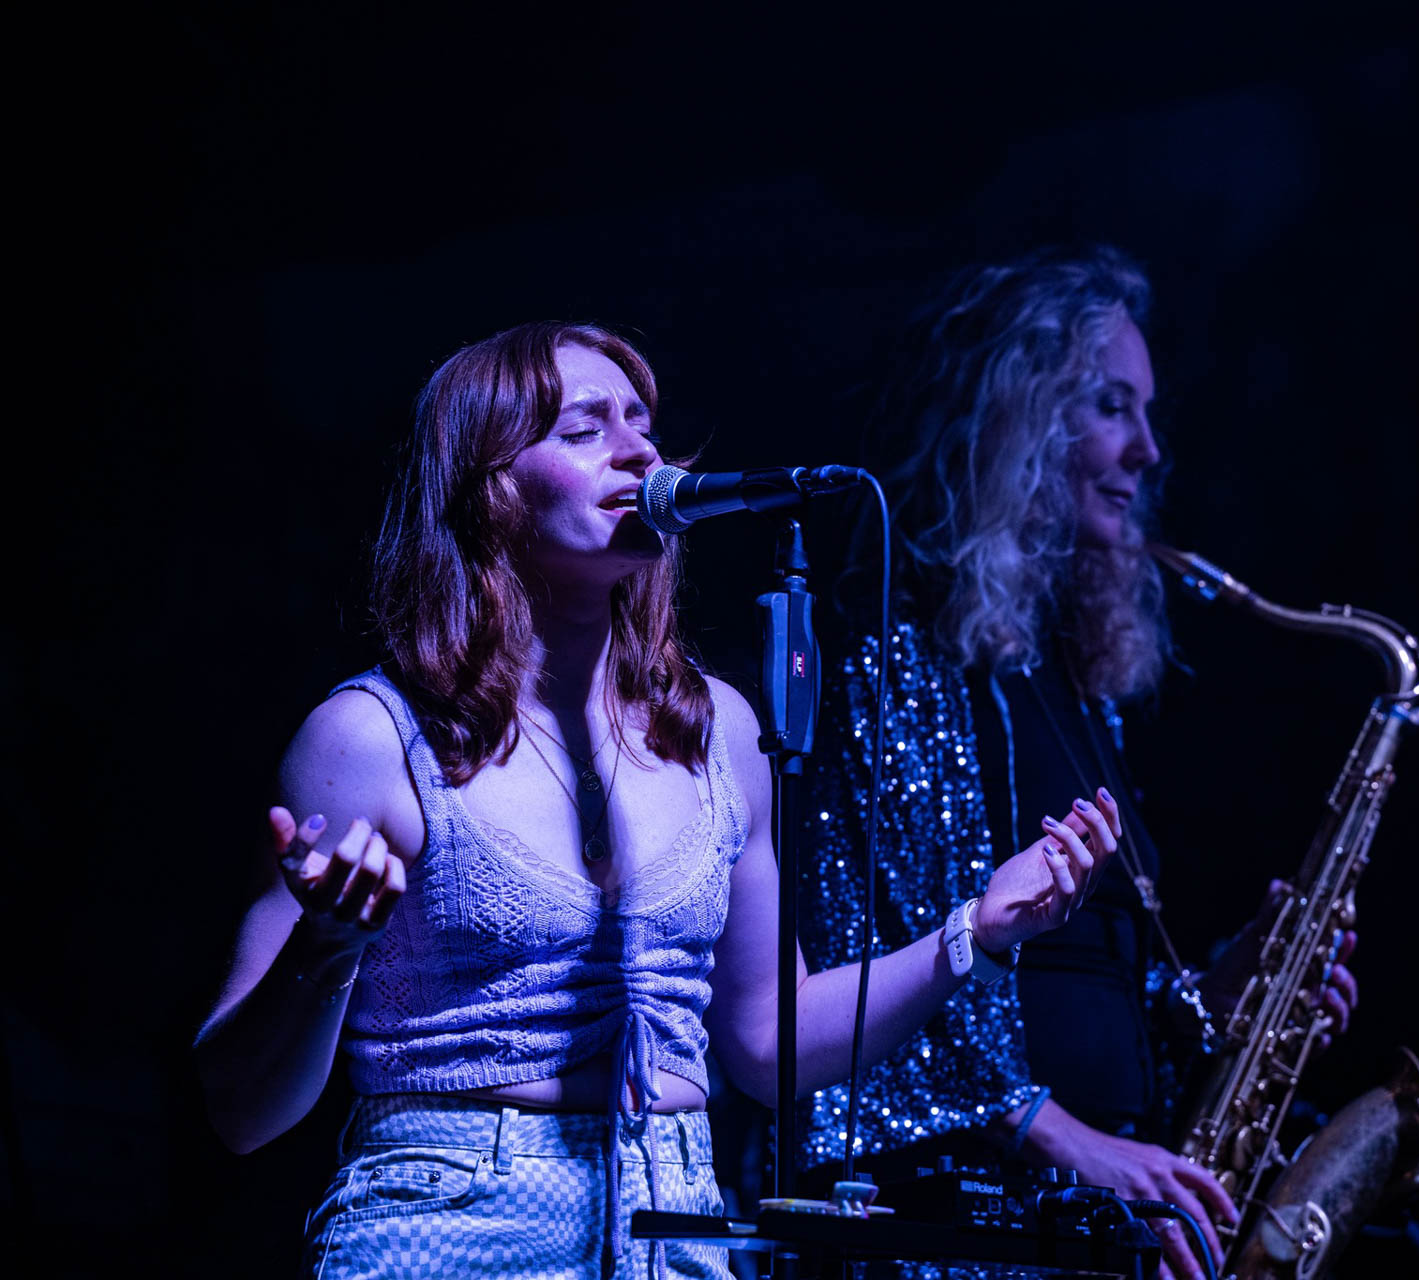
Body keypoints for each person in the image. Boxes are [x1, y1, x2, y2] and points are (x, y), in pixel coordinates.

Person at [191, 321, 1120, 1280]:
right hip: (457, 1221)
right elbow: (240, 1110)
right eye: (585, 429)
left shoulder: (717, 731)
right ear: (488, 487)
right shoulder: (372, 737)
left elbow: (768, 1041)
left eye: (643, 423)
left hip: (675, 1224)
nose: (640, 451)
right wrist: (327, 944)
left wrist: (976, 932)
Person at [799, 248, 1359, 1280]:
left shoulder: (1072, 681)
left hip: (1096, 1226)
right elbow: (868, 987)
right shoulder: (904, 655)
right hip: (973, 1238)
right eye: (1111, 406)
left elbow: (1088, 983)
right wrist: (1065, 1140)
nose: (1150, 449)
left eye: (1147, 411)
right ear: (1019, 419)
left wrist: (1228, 992)